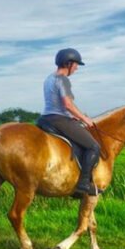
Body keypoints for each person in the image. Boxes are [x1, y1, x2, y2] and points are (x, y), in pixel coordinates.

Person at [40, 48, 101, 197]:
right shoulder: (63, 80)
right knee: (94, 146)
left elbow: (58, 104)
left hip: (45, 119)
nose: (77, 68)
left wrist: (73, 116)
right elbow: (67, 104)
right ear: (68, 64)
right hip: (59, 120)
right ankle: (83, 185)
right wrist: (84, 118)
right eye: (76, 64)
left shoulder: (49, 78)